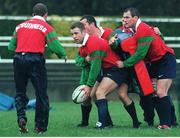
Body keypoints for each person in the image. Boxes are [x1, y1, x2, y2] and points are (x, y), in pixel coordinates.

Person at [8, 3, 67, 133]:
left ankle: (21, 117)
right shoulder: (46, 27)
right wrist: (63, 54)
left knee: (20, 92)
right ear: (46, 15)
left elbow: (11, 47)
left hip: (18, 59)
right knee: (41, 94)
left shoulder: (20, 26)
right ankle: (40, 126)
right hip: (35, 60)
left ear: (33, 14)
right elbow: (55, 46)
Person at [115, 7, 176, 129]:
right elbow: (159, 40)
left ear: (135, 18)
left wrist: (124, 63)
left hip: (165, 60)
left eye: (127, 17)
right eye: (123, 17)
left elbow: (140, 54)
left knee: (160, 92)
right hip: (154, 63)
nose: (124, 19)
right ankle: (172, 121)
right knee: (154, 93)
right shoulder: (136, 30)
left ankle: (166, 124)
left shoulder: (142, 29)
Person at [75, 15, 140, 128]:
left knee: (106, 93)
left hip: (117, 68)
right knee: (94, 95)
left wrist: (89, 84)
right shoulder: (85, 41)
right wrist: (84, 60)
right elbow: (79, 59)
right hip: (107, 70)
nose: (74, 36)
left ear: (91, 25)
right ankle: (108, 123)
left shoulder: (104, 35)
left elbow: (116, 44)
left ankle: (103, 124)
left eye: (83, 24)